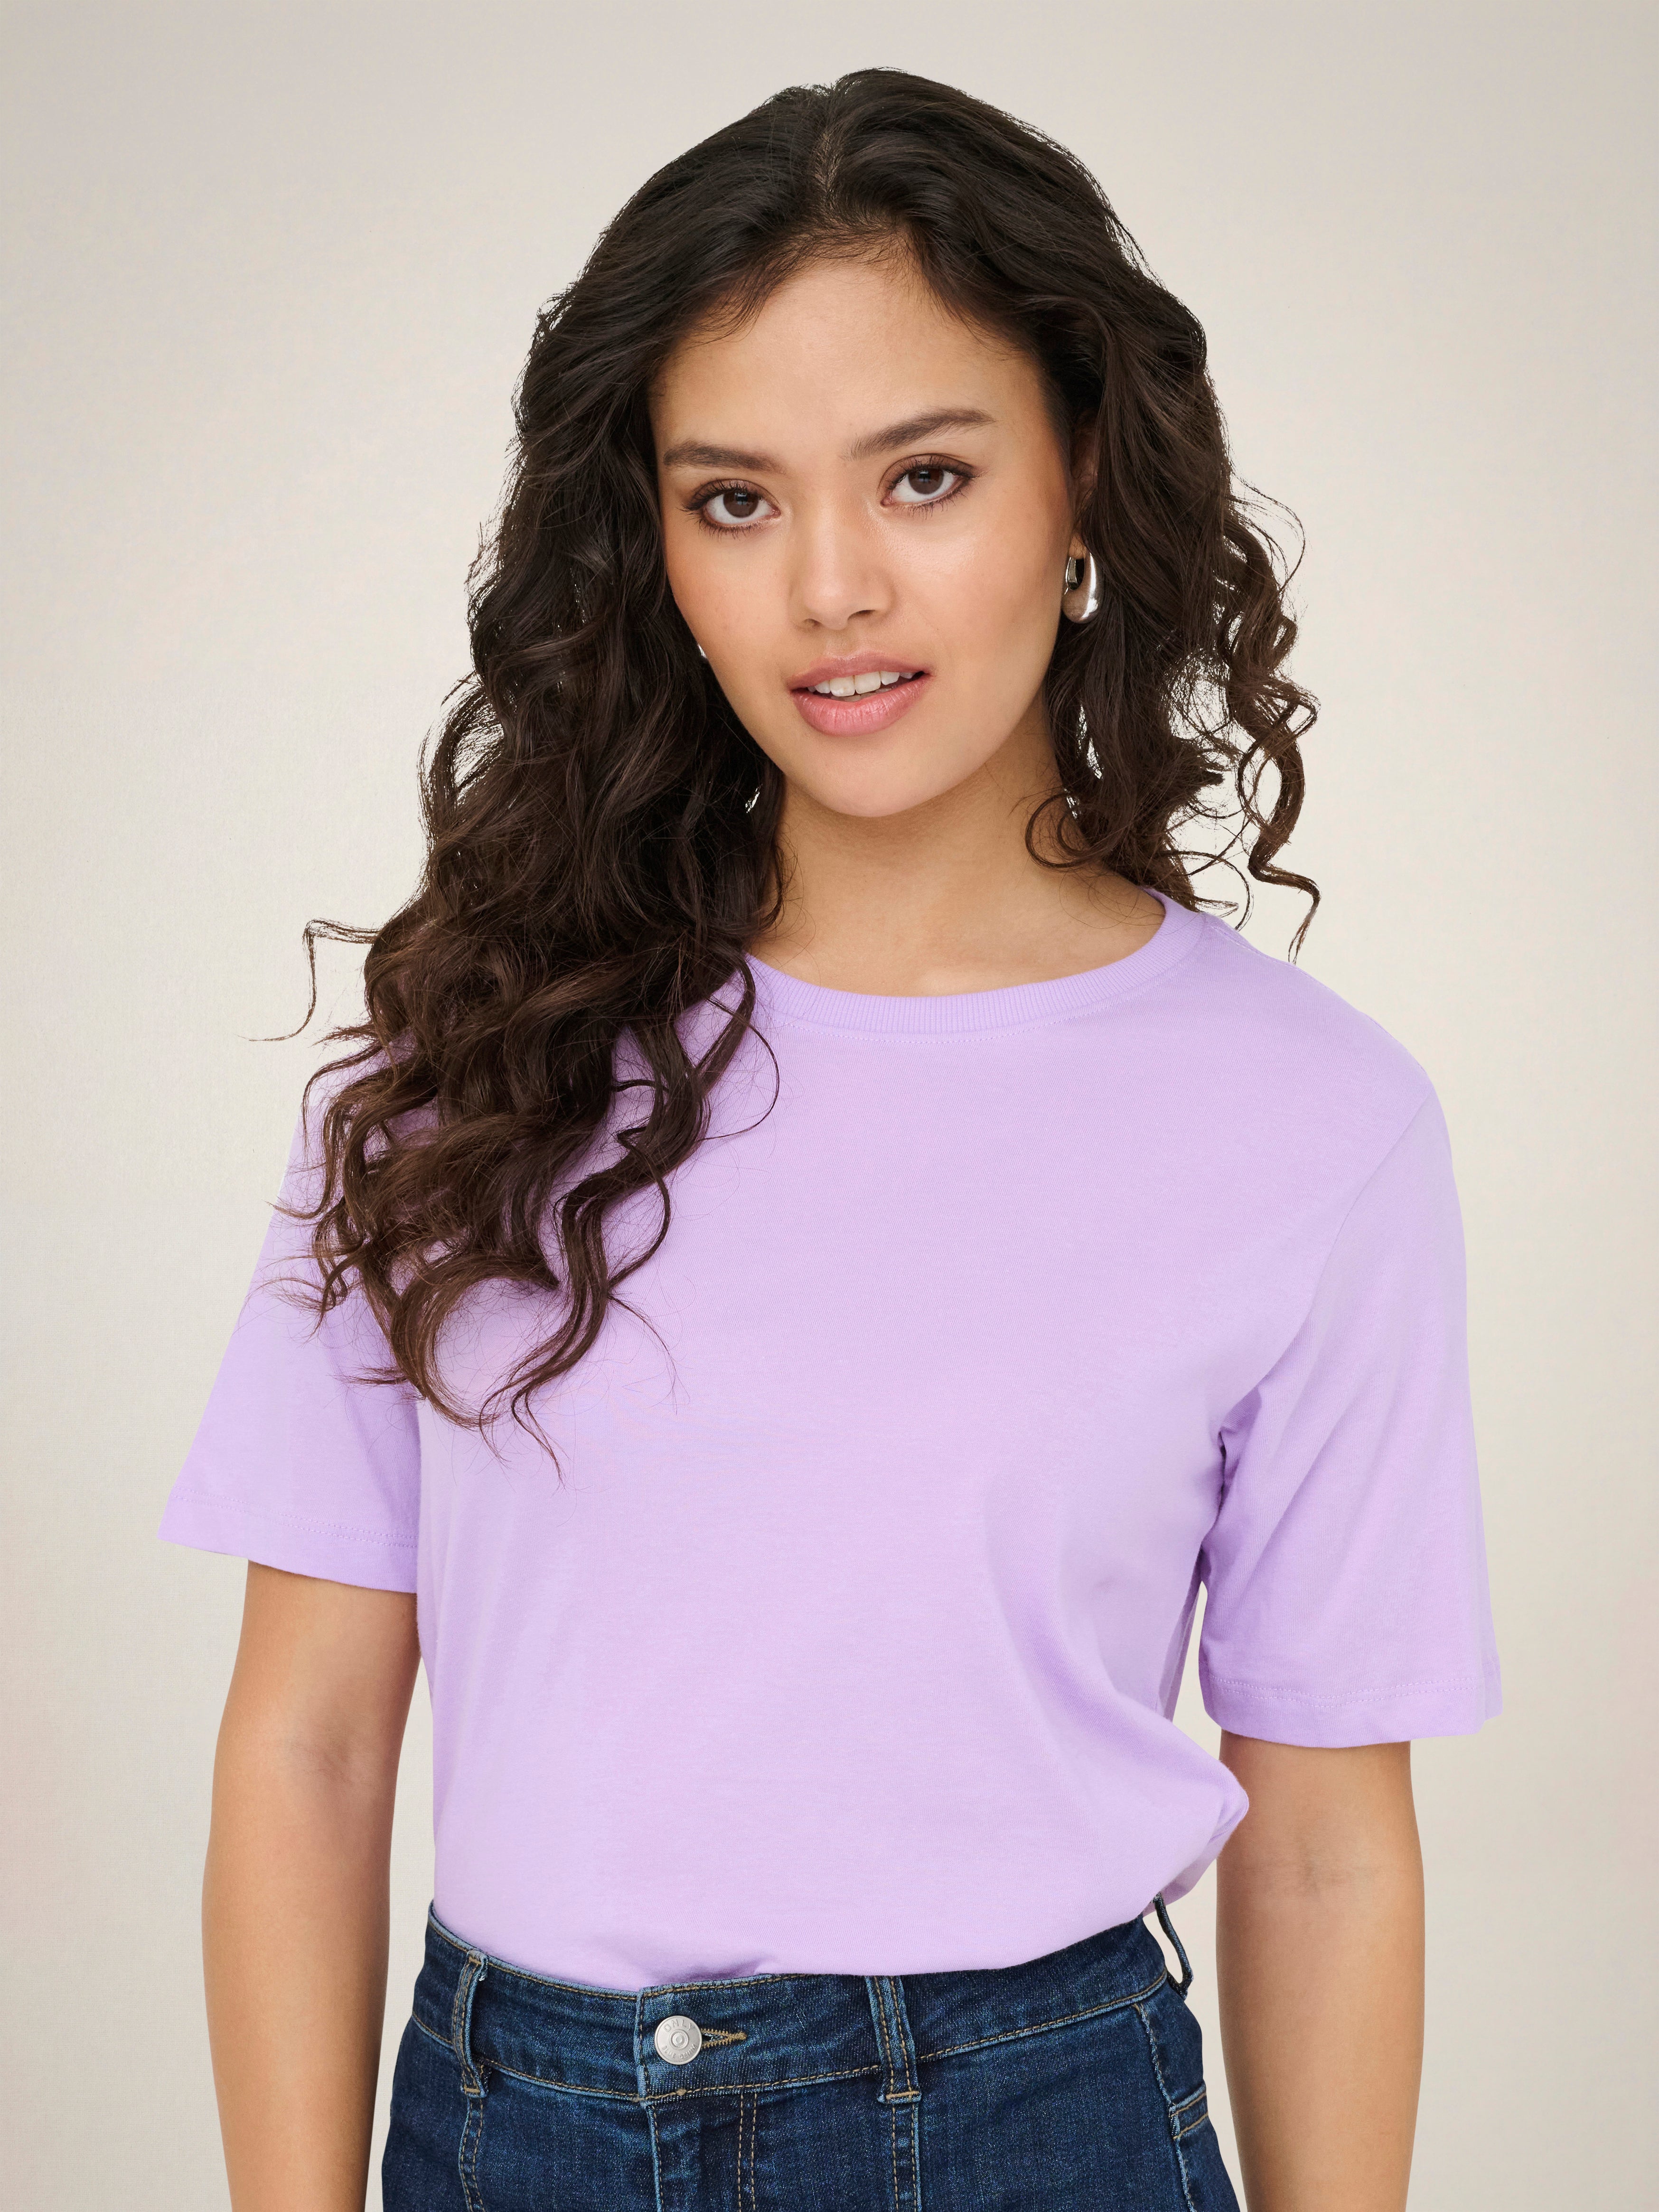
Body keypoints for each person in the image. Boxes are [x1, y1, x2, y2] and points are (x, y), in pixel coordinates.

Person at [159, 67, 1500, 2212]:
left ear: (1083, 486)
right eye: (735, 499)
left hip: (1043, 2131)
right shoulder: (461, 1065)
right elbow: (309, 1746)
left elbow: (1329, 1839)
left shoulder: (1309, 1121)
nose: (833, 587)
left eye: (926, 476)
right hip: (515, 2141)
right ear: (655, 550)